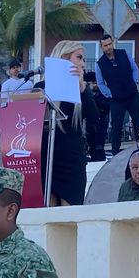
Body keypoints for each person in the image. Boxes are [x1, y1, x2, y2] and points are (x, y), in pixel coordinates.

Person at [43, 41, 88, 206]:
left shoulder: (81, 89)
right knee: (48, 216)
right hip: (48, 158)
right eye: (79, 57)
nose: (83, 63)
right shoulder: (41, 87)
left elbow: (94, 117)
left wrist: (82, 88)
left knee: (69, 216)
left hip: (72, 160)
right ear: (64, 58)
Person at [96, 34, 139, 158]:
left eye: (110, 44)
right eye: (105, 45)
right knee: (116, 126)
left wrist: (135, 82)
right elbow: (100, 83)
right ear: (102, 47)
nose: (108, 47)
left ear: (113, 43)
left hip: (132, 94)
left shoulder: (124, 53)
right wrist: (110, 94)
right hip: (116, 100)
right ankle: (115, 153)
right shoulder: (100, 64)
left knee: (138, 122)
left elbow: (135, 68)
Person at [81, 72, 109, 163]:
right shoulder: (84, 93)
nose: (92, 85)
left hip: (99, 124)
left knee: (98, 146)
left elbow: (105, 107)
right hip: (88, 126)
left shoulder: (103, 93)